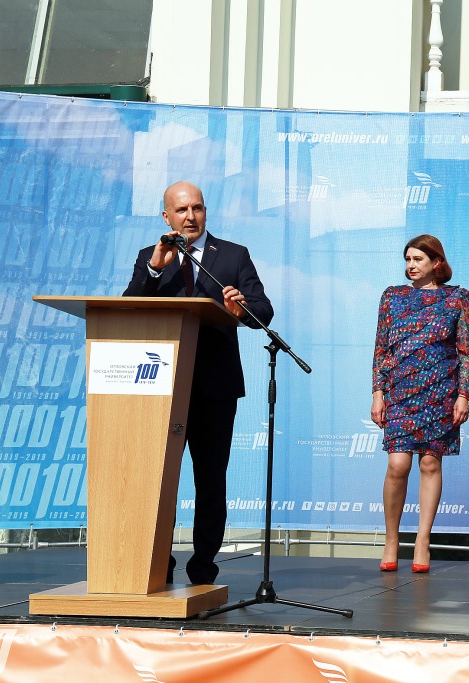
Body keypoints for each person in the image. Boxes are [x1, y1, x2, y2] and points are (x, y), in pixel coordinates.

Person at [123, 180, 273, 585]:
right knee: (160, 481)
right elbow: (130, 306)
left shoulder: (233, 255)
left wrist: (240, 309)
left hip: (215, 388)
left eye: (198, 208)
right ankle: (159, 562)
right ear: (166, 217)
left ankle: (204, 566)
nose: (191, 217)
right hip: (162, 387)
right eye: (182, 210)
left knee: (210, 480)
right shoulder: (151, 256)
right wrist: (155, 269)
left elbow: (263, 311)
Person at [371, 235, 469, 574]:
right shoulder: (392, 296)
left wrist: (463, 395)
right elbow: (381, 349)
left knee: (430, 464)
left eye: (418, 259)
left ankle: (422, 541)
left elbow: (465, 352)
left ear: (436, 263)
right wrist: (377, 392)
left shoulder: (457, 297)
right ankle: (391, 540)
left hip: (440, 392)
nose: (411, 265)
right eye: (408, 259)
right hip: (400, 392)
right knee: (397, 464)